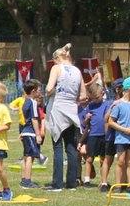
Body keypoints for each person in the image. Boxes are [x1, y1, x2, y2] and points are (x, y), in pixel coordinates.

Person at [45, 43, 85, 192]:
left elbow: (49, 88)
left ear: (57, 58)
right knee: (71, 147)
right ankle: (72, 183)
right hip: (71, 110)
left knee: (57, 146)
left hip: (58, 108)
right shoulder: (77, 71)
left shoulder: (57, 68)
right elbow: (83, 95)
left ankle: (57, 183)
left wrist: (50, 93)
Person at [108, 77, 130, 192]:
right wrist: (124, 130)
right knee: (121, 161)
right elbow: (111, 122)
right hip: (121, 138)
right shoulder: (119, 105)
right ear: (129, 90)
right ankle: (118, 185)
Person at [79, 82, 109, 186]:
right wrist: (86, 118)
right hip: (93, 135)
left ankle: (103, 180)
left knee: (103, 159)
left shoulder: (108, 104)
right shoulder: (90, 106)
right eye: (93, 98)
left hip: (104, 135)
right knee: (89, 158)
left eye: (97, 98)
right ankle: (87, 179)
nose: (95, 100)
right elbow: (85, 124)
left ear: (102, 93)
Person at [18, 79, 44, 189]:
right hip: (31, 132)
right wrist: (38, 134)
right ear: (33, 91)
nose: (40, 92)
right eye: (39, 90)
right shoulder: (33, 102)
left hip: (25, 131)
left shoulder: (25, 101)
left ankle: (24, 178)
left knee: (26, 156)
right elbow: (34, 119)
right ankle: (27, 181)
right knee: (30, 157)